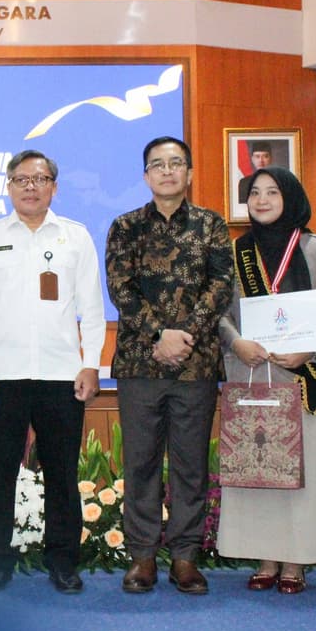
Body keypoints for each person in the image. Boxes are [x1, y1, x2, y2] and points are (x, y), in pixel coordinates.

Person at [0, 150, 105, 594]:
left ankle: (62, 560)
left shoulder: (75, 237)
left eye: (40, 179)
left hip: (62, 375)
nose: (30, 186)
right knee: (0, 472)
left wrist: (91, 363)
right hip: (1, 375)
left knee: (62, 473)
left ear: (54, 187)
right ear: (8, 186)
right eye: (21, 179)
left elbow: (92, 307)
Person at [105, 136, 233, 595]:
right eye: (157, 164)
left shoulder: (211, 224)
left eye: (175, 163)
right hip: (140, 364)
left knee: (190, 465)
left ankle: (185, 557)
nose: (166, 171)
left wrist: (185, 335)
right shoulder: (125, 227)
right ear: (146, 176)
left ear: (189, 173)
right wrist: (160, 335)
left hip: (195, 366)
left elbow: (221, 285)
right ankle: (142, 556)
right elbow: (121, 288)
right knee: (140, 463)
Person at [216, 167, 316, 594]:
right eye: (254, 193)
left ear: (290, 197)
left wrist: (310, 350)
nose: (262, 200)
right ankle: (265, 558)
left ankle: (295, 561)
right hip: (252, 376)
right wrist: (236, 343)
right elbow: (219, 313)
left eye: (272, 192)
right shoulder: (235, 252)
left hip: (303, 379)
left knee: (303, 475)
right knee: (257, 474)